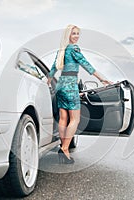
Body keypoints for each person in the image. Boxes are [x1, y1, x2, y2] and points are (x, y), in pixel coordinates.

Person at [47, 25, 112, 164]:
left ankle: (62, 146)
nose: (76, 36)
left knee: (63, 118)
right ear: (68, 35)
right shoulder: (74, 49)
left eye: (77, 34)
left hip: (60, 85)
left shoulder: (62, 50)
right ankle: (64, 148)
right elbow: (86, 64)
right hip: (70, 85)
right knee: (75, 119)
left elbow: (53, 67)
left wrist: (48, 80)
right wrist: (102, 79)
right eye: (73, 33)